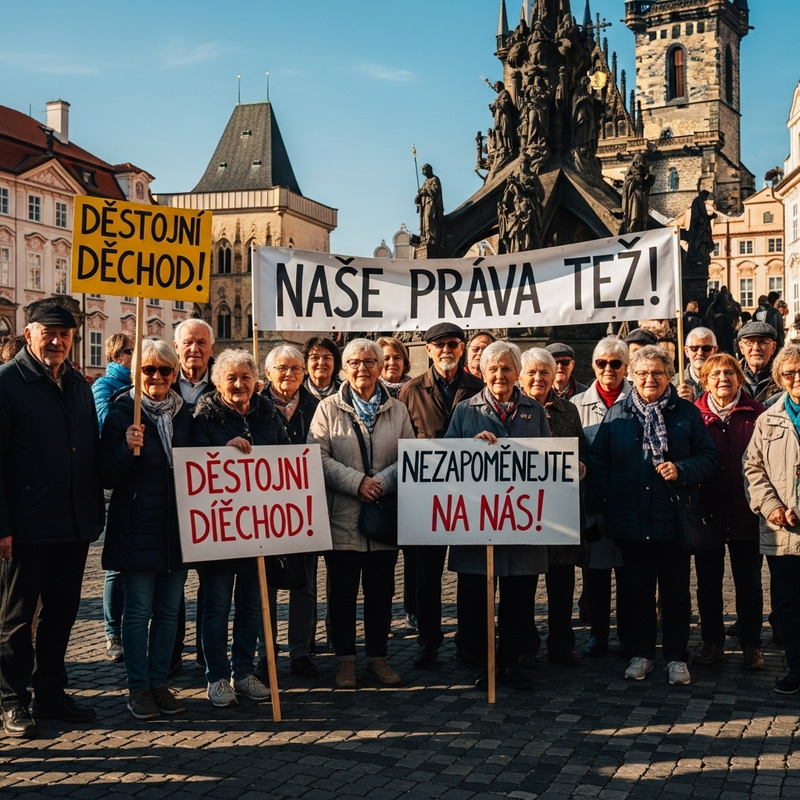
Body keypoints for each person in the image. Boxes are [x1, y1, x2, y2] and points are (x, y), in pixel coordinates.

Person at [0, 301, 103, 739]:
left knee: (61, 612)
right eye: (49, 333)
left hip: (72, 522)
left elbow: (89, 452)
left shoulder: (78, 384)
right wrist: (2, 524)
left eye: (66, 334)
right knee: (17, 618)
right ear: (29, 334)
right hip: (25, 525)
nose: (58, 341)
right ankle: (11, 699)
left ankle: (51, 691)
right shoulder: (7, 383)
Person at [587, 345, 718, 686]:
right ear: (631, 375)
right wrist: (611, 493)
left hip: (673, 520)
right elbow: (598, 460)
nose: (650, 379)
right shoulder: (617, 415)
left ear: (669, 376)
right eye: (643, 373)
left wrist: (683, 468)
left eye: (657, 373)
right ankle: (641, 653)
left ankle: (676, 656)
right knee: (637, 593)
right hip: (632, 520)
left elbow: (709, 457)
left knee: (675, 594)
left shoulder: (686, 413)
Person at [307, 338, 414, 689]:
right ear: (344, 368)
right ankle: (345, 661)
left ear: (381, 367)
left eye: (370, 361)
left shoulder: (396, 409)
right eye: (354, 362)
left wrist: (381, 481)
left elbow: (409, 456)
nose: (362, 368)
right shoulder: (327, 409)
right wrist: (357, 483)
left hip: (383, 516)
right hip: (343, 518)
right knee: (341, 594)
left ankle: (378, 659)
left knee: (381, 594)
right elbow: (317, 458)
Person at [446, 341, 550, 690]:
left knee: (519, 602)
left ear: (517, 373)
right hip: (478, 524)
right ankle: (484, 664)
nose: (500, 375)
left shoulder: (534, 410)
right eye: (494, 369)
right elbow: (445, 459)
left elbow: (548, 461)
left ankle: (510, 663)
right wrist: (469, 447)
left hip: (522, 525)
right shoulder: (465, 410)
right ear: (483, 373)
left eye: (507, 368)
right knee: (476, 601)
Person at [193, 349, 290, 707]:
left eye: (245, 377)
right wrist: (223, 449)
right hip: (220, 528)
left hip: (258, 530)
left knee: (252, 605)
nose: (238, 384)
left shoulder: (268, 414)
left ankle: (244, 672)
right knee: (217, 607)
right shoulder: (204, 415)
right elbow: (194, 461)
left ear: (256, 382)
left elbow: (284, 455)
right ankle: (217, 676)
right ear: (218, 383)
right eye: (231, 378)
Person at [101, 339, 192, 720]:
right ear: (136, 372)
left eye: (165, 370)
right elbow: (105, 473)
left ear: (175, 374)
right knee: (138, 612)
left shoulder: (186, 413)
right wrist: (124, 447)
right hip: (137, 527)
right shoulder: (124, 410)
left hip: (179, 530)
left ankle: (159, 682)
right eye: (148, 370)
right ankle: (138, 688)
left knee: (168, 611)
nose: (156, 377)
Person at [399, 323, 484, 668]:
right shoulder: (410, 390)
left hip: (470, 496)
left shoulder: (479, 387)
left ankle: (468, 640)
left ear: (461, 349)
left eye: (453, 344)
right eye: (439, 345)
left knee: (469, 573)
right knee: (426, 575)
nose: (446, 350)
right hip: (427, 496)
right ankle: (428, 640)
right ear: (428, 350)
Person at [693, 354, 765, 671]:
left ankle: (752, 644)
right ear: (704, 380)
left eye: (729, 372)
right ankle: (713, 641)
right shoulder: (693, 414)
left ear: (739, 377)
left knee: (748, 583)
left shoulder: (756, 413)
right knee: (708, 582)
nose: (723, 378)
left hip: (746, 510)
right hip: (707, 512)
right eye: (715, 373)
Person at [519, 347, 587, 667]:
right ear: (521, 377)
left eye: (545, 372)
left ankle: (561, 643)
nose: (539, 378)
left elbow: (581, 451)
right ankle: (526, 645)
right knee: (524, 585)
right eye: (532, 372)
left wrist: (582, 466)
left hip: (559, 513)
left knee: (562, 584)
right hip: (524, 513)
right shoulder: (515, 411)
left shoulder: (568, 411)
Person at [743, 344, 800, 694]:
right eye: (790, 373)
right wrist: (771, 507)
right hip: (783, 530)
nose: (797, 379)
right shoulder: (768, 418)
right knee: (789, 604)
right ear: (781, 378)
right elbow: (752, 468)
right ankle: (797, 668)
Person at [571, 337, 631, 658]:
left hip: (628, 502)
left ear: (626, 366)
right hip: (590, 502)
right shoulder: (577, 405)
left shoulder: (638, 399)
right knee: (595, 574)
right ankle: (597, 633)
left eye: (616, 363)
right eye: (601, 363)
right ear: (593, 365)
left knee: (628, 574)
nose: (608, 369)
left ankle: (627, 632)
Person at [263, 345, 320, 678]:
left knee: (304, 584)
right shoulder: (255, 407)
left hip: (305, 506)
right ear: (268, 372)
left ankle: (301, 651)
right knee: (265, 584)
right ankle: (266, 650)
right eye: (282, 368)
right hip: (264, 508)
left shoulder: (318, 406)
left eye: (297, 369)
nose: (290, 374)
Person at [172, 318, 217, 672]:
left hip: (212, 501)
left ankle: (207, 653)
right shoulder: (157, 380)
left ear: (211, 349)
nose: (195, 349)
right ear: (176, 347)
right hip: (171, 498)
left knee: (211, 584)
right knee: (171, 583)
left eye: (202, 343)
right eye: (188, 342)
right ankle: (170, 654)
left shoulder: (223, 385)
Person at [91, 331, 135, 665]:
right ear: (121, 355)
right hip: (116, 479)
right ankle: (112, 631)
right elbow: (104, 426)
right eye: (135, 351)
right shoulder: (105, 387)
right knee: (116, 567)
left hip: (141, 480)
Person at [737, 321, 781, 404]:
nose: (756, 348)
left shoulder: (784, 377)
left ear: (773, 347)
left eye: (763, 342)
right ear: (741, 348)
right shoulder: (731, 375)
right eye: (749, 343)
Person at [674, 327, 718, 402]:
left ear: (715, 350)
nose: (700, 353)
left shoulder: (723, 380)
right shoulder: (675, 382)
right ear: (686, 351)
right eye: (694, 348)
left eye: (706, 348)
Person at [302, 336, 342, 401]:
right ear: (306, 364)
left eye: (327, 357)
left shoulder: (346, 394)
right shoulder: (296, 394)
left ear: (335, 363)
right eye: (315, 358)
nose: (321, 363)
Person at [415, 163, 445, 246]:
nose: (423, 172)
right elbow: (422, 191)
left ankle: (432, 238)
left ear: (428, 170)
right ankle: (425, 237)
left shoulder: (434, 179)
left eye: (424, 170)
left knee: (430, 218)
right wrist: (419, 196)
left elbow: (435, 191)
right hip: (425, 204)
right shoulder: (426, 181)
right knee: (425, 221)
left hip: (431, 203)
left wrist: (425, 191)